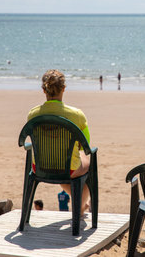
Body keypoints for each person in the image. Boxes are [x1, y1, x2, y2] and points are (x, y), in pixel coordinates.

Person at [27, 69, 92, 215]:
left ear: (44, 90)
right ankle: (80, 205)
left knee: (59, 163)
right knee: (87, 164)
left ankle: (79, 203)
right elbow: (85, 145)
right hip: (67, 168)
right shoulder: (76, 115)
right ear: (64, 89)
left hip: (40, 166)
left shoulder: (33, 114)